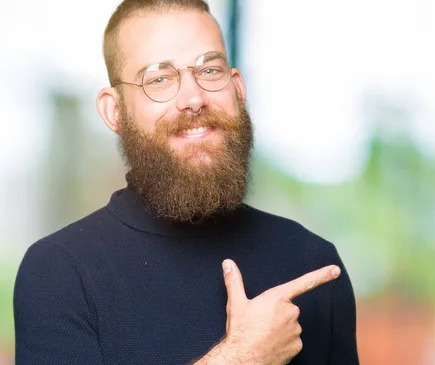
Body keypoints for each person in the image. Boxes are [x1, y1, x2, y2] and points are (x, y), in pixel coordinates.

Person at [13, 1, 359, 364]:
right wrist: (242, 357)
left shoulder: (313, 263)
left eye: (210, 70)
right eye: (158, 79)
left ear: (237, 90)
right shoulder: (58, 275)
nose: (194, 99)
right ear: (114, 111)